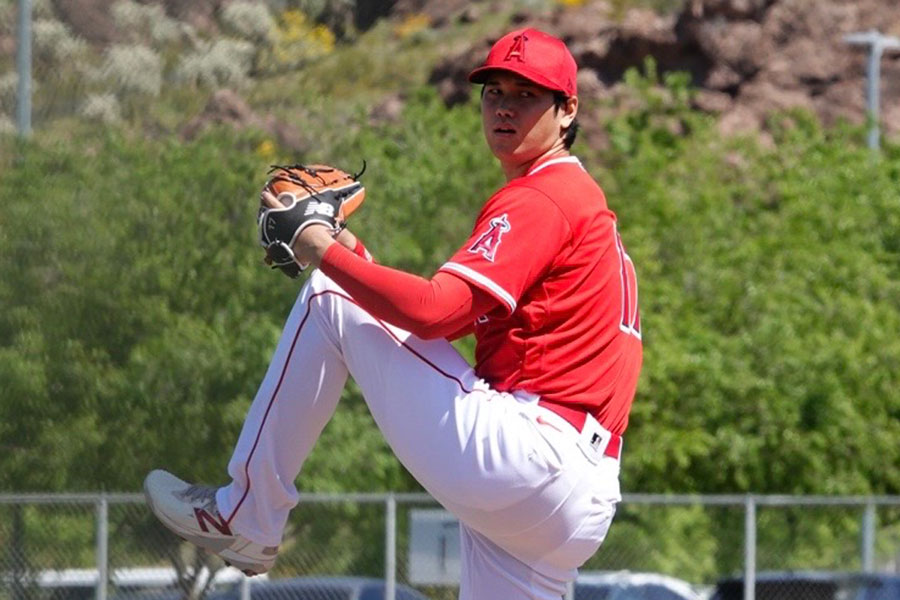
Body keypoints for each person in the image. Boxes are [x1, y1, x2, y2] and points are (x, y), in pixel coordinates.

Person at [144, 27, 642, 600]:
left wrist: (323, 252)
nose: (505, 107)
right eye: (494, 92)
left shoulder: (542, 197)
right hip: (578, 497)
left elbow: (434, 314)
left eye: (526, 94)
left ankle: (247, 515)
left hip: (531, 457)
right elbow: (429, 321)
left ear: (567, 110)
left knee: (326, 296)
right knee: (343, 289)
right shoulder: (585, 207)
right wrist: (350, 251)